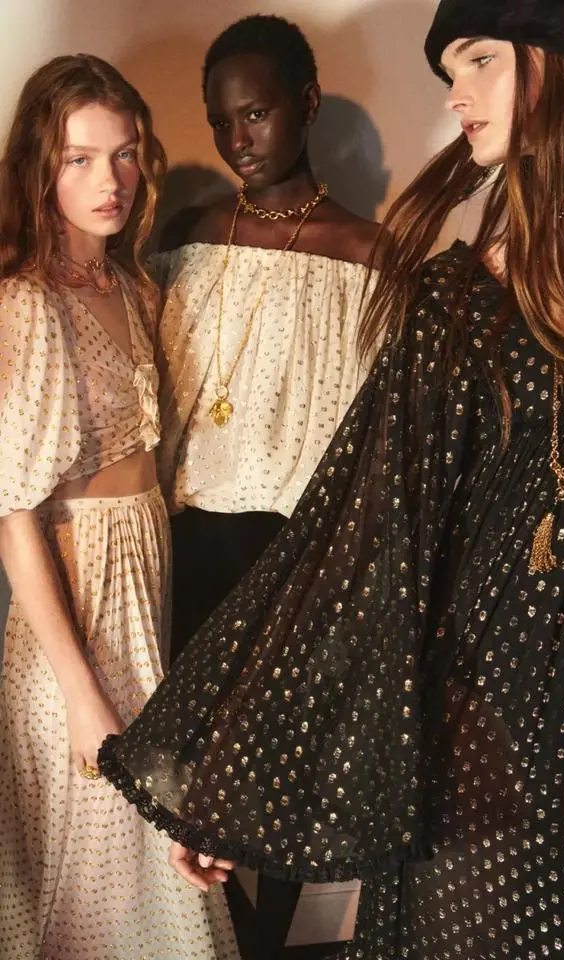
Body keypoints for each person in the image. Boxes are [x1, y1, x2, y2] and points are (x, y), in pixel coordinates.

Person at [101, 0, 564, 956]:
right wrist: (231, 771)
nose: (456, 96)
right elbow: (356, 534)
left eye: (478, 60)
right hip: (484, 721)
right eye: (445, 72)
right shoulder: (462, 299)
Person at [0, 55, 239, 960]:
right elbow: (14, 517)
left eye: (125, 153)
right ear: (40, 168)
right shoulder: (27, 303)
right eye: (79, 158)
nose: (112, 180)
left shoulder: (135, 288)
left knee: (146, 868)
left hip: (144, 589)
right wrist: (78, 696)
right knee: (93, 879)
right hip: (77, 609)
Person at [150, 17, 379, 955]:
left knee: (288, 771)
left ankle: (268, 943)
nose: (237, 138)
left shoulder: (366, 253)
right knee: (183, 774)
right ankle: (220, 939)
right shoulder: (190, 235)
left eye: (256, 113)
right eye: (220, 121)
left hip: (298, 549)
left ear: (306, 104)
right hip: (190, 538)